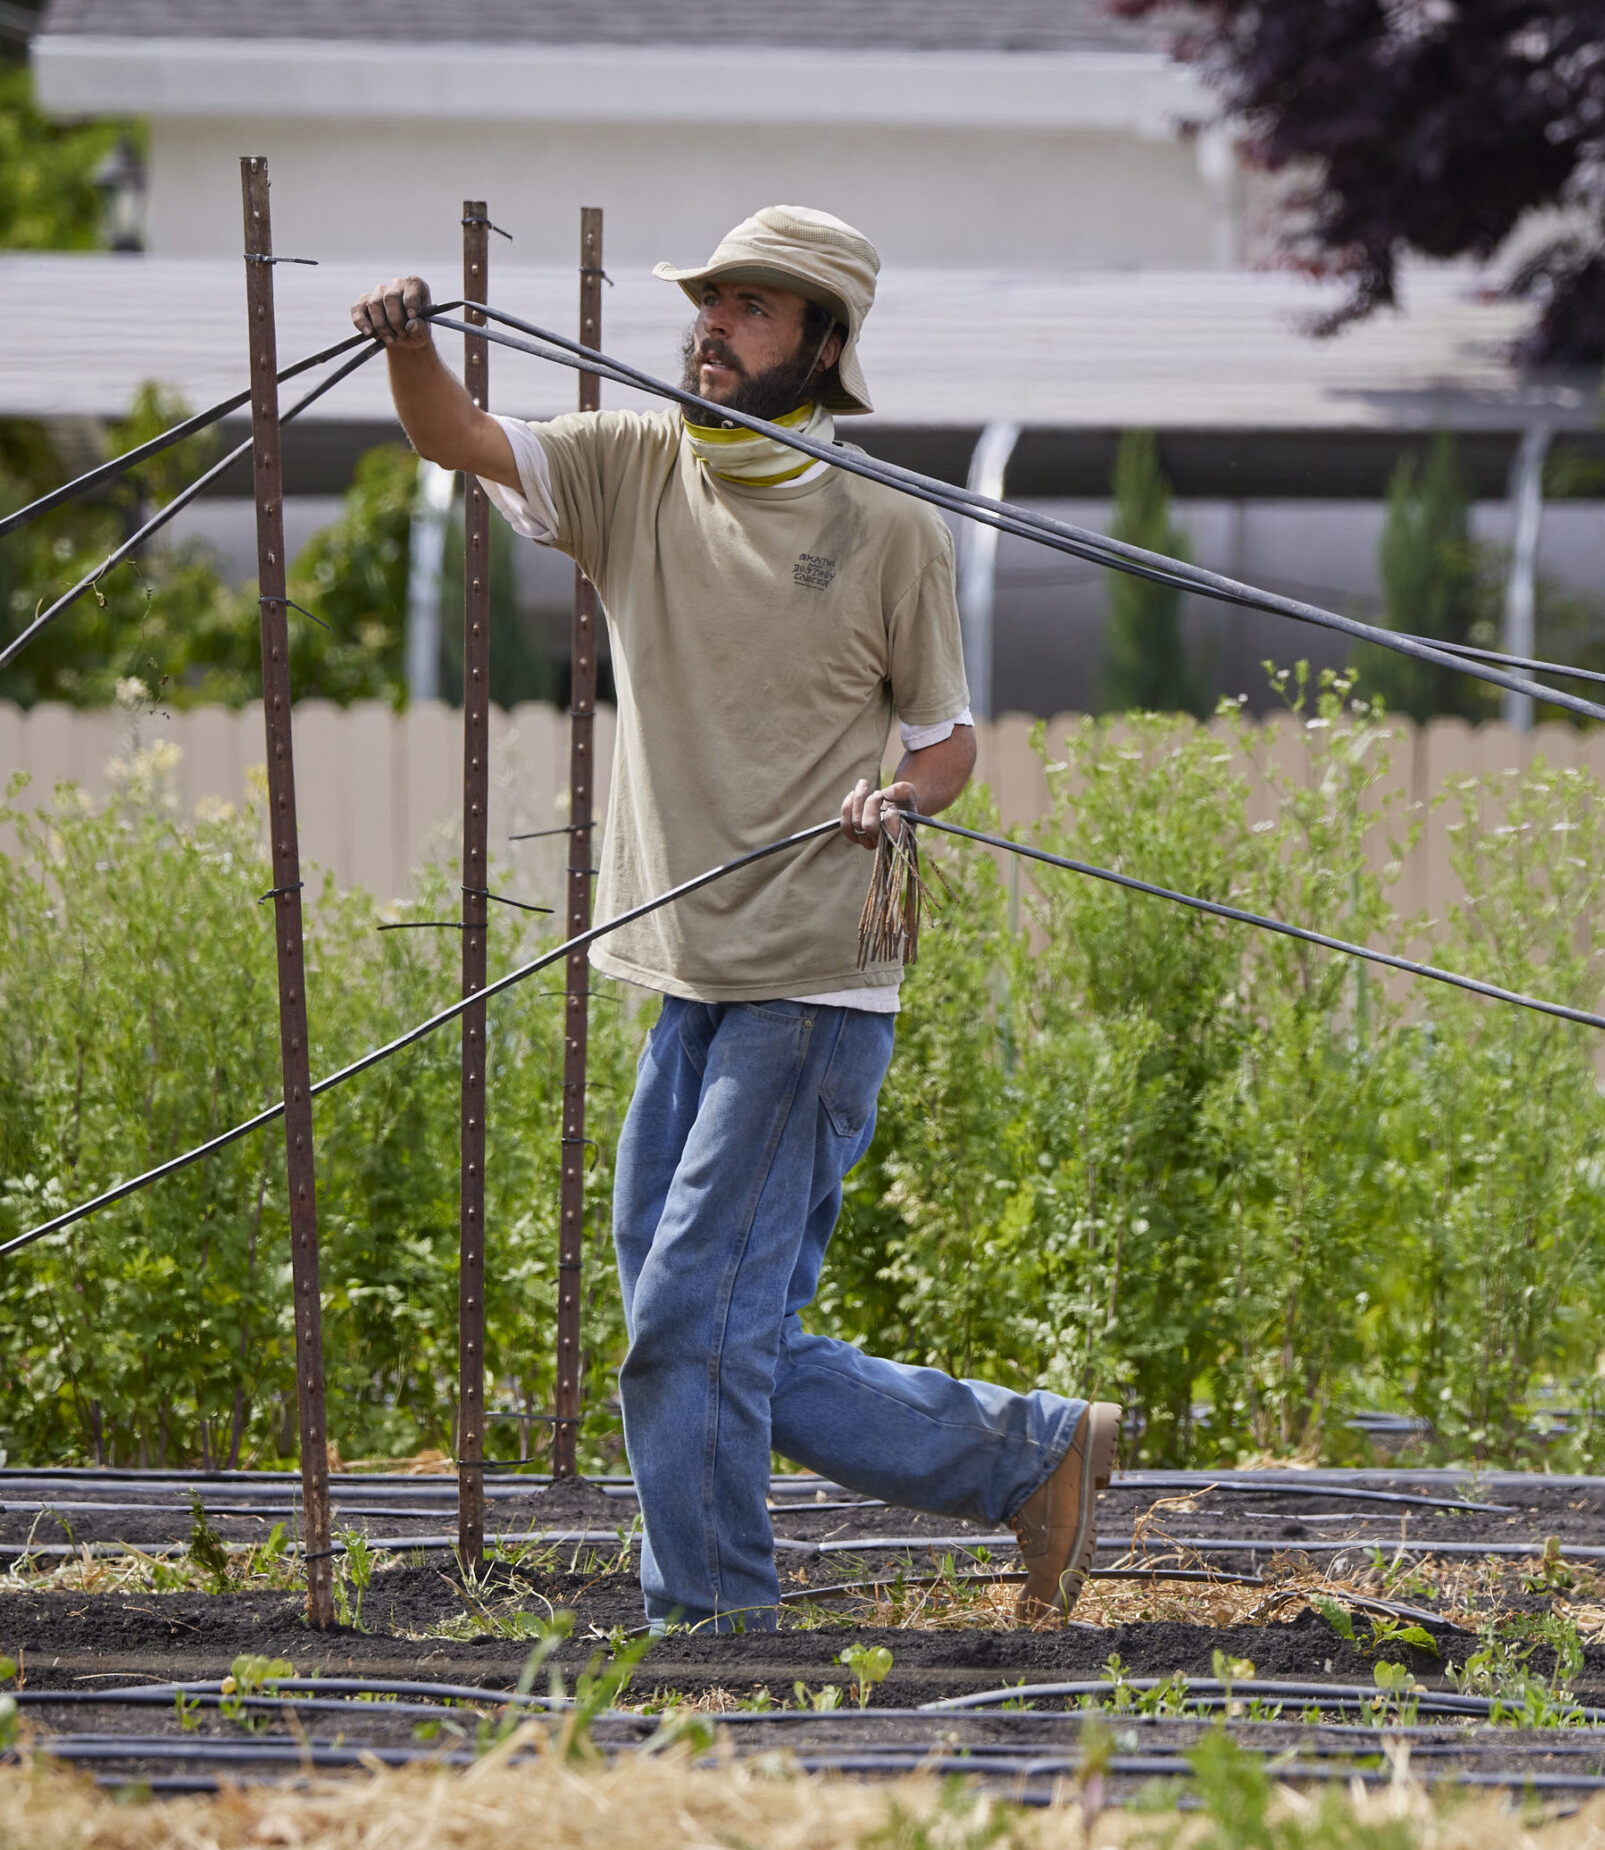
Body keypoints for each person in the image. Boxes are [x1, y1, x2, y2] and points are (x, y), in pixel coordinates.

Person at [351, 205, 1119, 1633]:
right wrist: (410, 339)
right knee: (698, 1331)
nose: (713, 326)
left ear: (824, 346)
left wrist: (900, 795)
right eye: (709, 300)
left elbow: (948, 746)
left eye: (755, 308)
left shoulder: (889, 528)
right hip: (688, 972)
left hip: (817, 984)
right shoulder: (629, 471)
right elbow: (456, 433)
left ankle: (714, 1636)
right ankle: (1035, 1454)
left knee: (695, 1329)